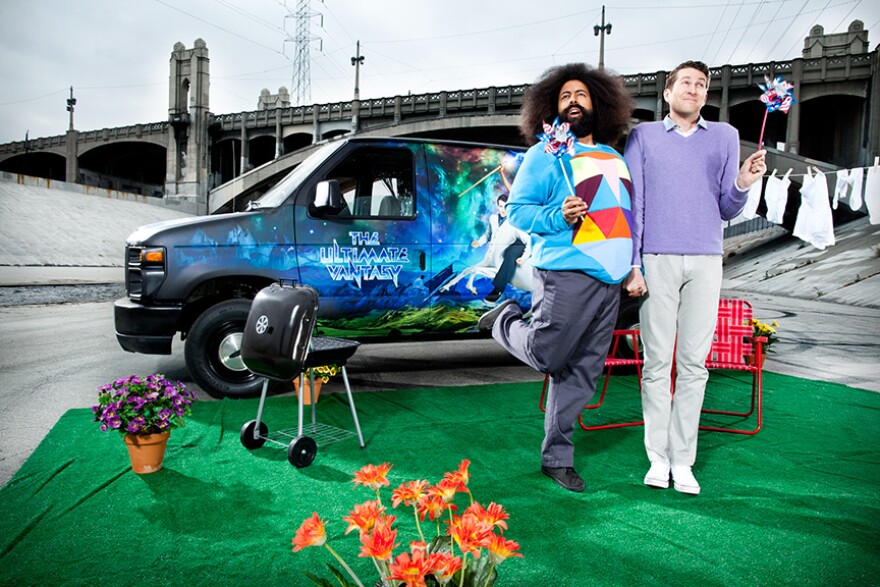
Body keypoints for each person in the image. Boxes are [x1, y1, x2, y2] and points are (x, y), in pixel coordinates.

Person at [477, 63, 636, 492]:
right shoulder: (544, 155)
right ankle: (504, 320)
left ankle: (557, 458)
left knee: (583, 373)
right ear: (551, 107)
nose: (573, 101)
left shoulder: (616, 158)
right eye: (565, 96)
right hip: (566, 272)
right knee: (548, 356)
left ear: (600, 103)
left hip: (610, 280)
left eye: (581, 95)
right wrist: (557, 215)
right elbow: (517, 211)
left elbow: (627, 219)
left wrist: (632, 267)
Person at [623, 60, 767, 495]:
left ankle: (682, 460)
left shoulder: (725, 136)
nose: (694, 88)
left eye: (701, 84)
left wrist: (742, 182)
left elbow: (726, 208)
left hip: (706, 259)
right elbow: (633, 204)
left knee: (693, 364)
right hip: (656, 258)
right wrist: (633, 264)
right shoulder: (643, 136)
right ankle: (658, 457)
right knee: (656, 362)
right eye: (685, 82)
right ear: (668, 93)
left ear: (706, 95)